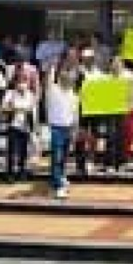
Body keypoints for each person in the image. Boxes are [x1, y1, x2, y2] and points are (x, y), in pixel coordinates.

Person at [45, 67, 79, 199]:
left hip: (68, 128)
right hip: (56, 128)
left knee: (64, 156)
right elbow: (48, 80)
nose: (67, 80)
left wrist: (75, 130)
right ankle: (59, 186)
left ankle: (59, 177)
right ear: (59, 79)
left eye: (69, 79)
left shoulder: (74, 95)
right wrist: (52, 66)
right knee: (57, 156)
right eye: (64, 78)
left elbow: (75, 115)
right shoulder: (53, 90)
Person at [2, 73, 36, 182]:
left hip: (25, 126)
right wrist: (14, 109)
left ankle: (22, 172)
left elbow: (32, 111)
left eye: (24, 81)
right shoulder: (10, 94)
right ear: (15, 83)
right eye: (20, 81)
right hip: (13, 125)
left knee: (23, 151)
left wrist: (34, 127)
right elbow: (4, 109)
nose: (22, 84)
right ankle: (10, 173)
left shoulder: (30, 95)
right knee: (11, 151)